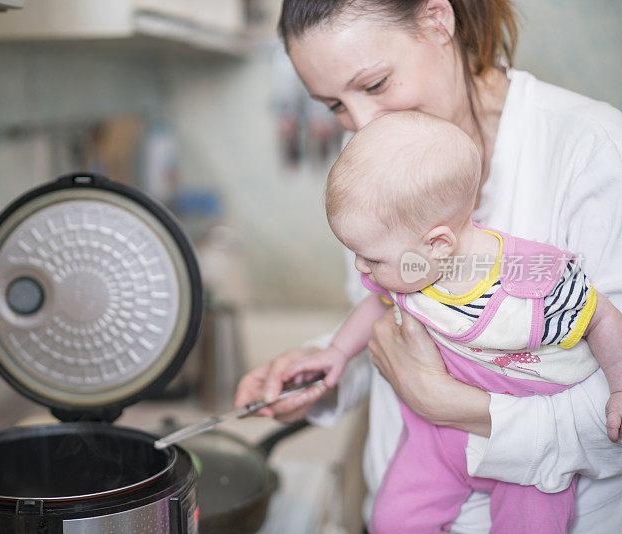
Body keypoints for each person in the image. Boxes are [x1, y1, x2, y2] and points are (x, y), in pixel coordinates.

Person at [234, 0, 622, 531]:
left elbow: (611, 415)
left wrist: (450, 405)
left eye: (374, 85)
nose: (360, 125)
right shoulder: (372, 172)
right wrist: (329, 367)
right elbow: (398, 314)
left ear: (438, 19)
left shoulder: (592, 149)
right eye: (334, 105)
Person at [280, 110, 622, 533]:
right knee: (393, 521)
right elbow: (376, 307)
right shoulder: (410, 266)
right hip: (435, 441)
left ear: (439, 243)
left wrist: (619, 386)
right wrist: (335, 352)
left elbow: (603, 318)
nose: (360, 269)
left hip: (525, 456)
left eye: (371, 258)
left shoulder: (533, 281)